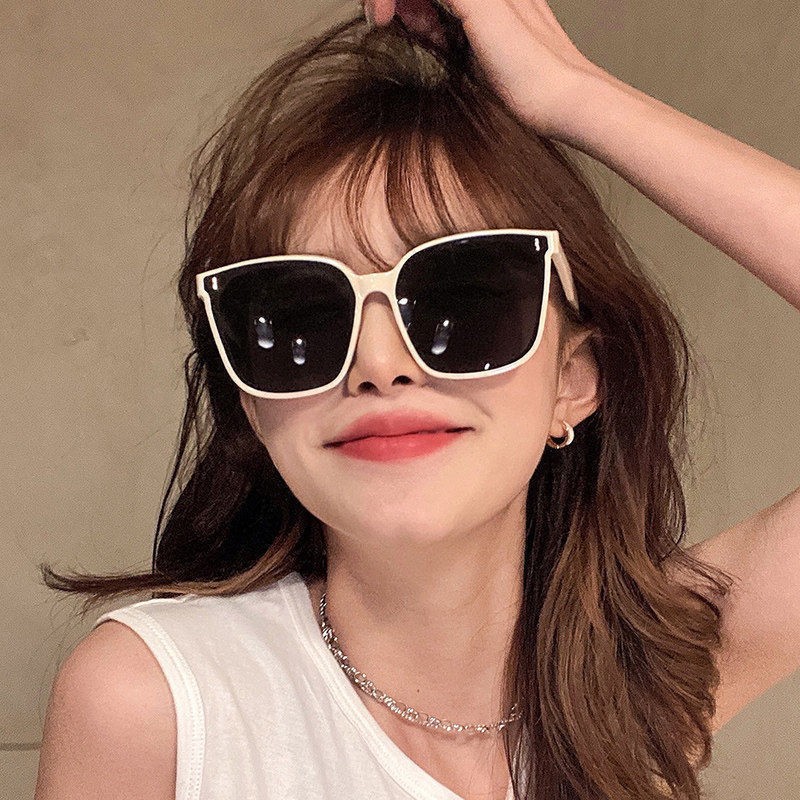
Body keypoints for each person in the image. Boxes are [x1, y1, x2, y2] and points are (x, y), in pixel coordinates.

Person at [34, 2, 800, 799]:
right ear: (253, 404)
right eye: (302, 317)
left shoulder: (641, 680)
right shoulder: (156, 703)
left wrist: (574, 92)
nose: (379, 364)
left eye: (460, 301)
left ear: (573, 381)